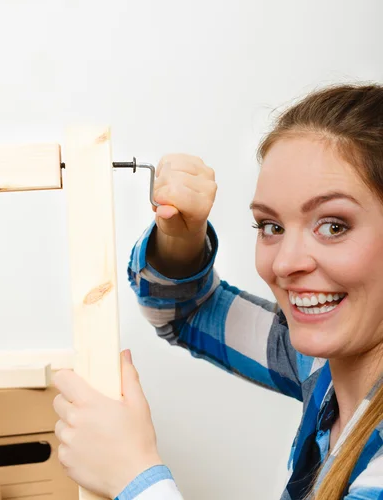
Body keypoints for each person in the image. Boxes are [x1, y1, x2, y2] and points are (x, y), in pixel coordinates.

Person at [53, 83, 383, 500]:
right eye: (271, 227)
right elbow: (186, 314)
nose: (283, 263)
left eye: (334, 226)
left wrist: (135, 479)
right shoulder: (318, 364)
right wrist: (180, 239)